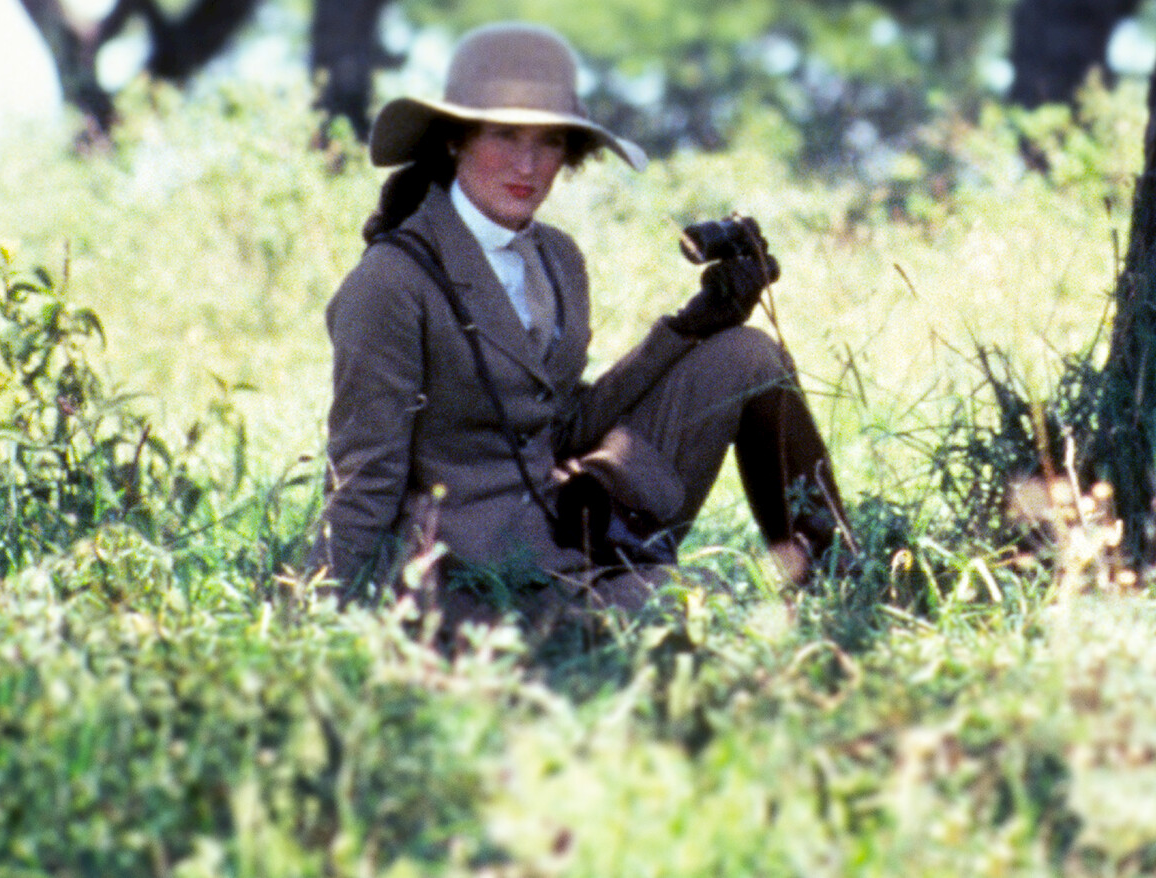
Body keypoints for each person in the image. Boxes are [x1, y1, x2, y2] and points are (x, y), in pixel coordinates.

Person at [308, 21, 847, 634]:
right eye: (504, 135)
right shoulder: (391, 283)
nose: (528, 164)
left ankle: (840, 579)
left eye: (550, 142)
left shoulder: (557, 258)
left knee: (748, 354)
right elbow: (363, 478)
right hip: (472, 579)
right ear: (455, 139)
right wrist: (313, 617)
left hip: (568, 524)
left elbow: (562, 428)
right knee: (704, 605)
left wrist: (690, 329)